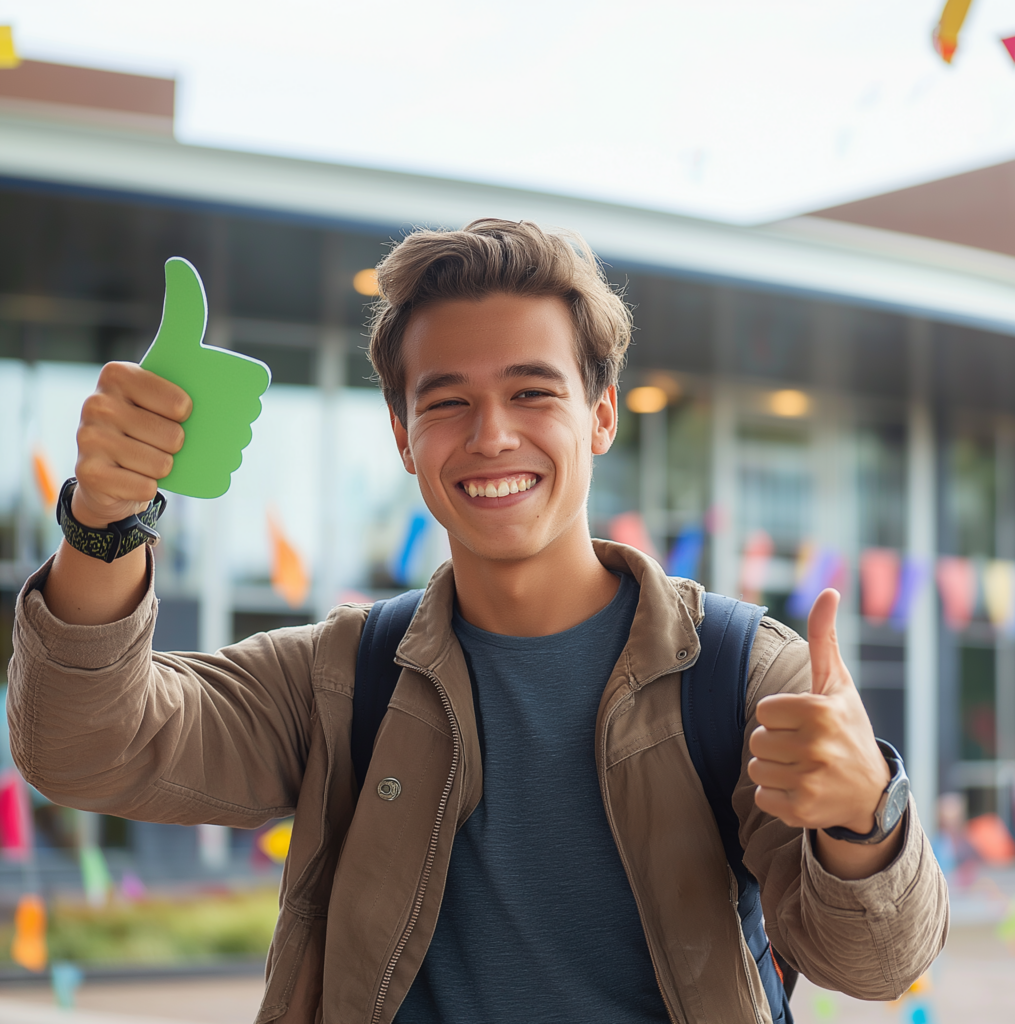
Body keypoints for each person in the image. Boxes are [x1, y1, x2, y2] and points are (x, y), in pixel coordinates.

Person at [9, 219, 947, 1024]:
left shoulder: (743, 675)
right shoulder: (342, 676)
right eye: (446, 401)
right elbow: (85, 747)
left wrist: (869, 817)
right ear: (402, 436)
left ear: (602, 415)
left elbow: (872, 963)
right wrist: (105, 519)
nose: (491, 433)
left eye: (533, 391)